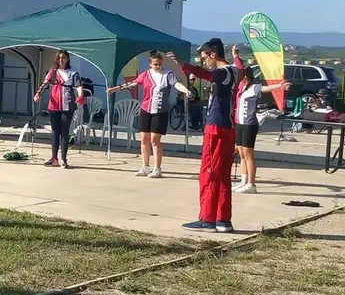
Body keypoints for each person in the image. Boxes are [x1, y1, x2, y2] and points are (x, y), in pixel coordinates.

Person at [175, 40, 236, 233]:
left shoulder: (224, 72)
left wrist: (183, 64)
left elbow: (209, 74)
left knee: (209, 172)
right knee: (223, 175)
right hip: (228, 127)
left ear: (212, 54)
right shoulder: (235, 71)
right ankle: (223, 219)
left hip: (217, 127)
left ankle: (207, 218)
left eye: (204, 58)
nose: (204, 63)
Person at [109, 51, 181, 178]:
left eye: (159, 64)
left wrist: (186, 90)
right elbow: (132, 84)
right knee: (144, 139)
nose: (157, 66)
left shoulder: (168, 74)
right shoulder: (146, 74)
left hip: (160, 111)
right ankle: (145, 166)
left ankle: (157, 168)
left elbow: (176, 84)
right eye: (155, 64)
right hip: (146, 109)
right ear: (150, 64)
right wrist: (116, 88)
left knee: (154, 140)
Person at [33, 49, 84, 169]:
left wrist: (81, 96)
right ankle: (54, 158)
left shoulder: (73, 73)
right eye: (59, 58)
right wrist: (38, 93)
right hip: (54, 105)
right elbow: (45, 83)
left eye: (64, 58)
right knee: (55, 132)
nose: (61, 60)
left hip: (68, 105)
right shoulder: (53, 72)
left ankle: (63, 159)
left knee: (64, 132)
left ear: (67, 59)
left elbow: (78, 86)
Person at [231, 45, 264, 193]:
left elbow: (265, 89)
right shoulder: (240, 87)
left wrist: (279, 86)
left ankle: (252, 183)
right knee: (241, 152)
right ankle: (244, 180)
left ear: (247, 76)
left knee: (248, 153)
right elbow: (238, 67)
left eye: (242, 75)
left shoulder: (254, 87)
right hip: (239, 122)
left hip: (250, 123)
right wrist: (235, 56)